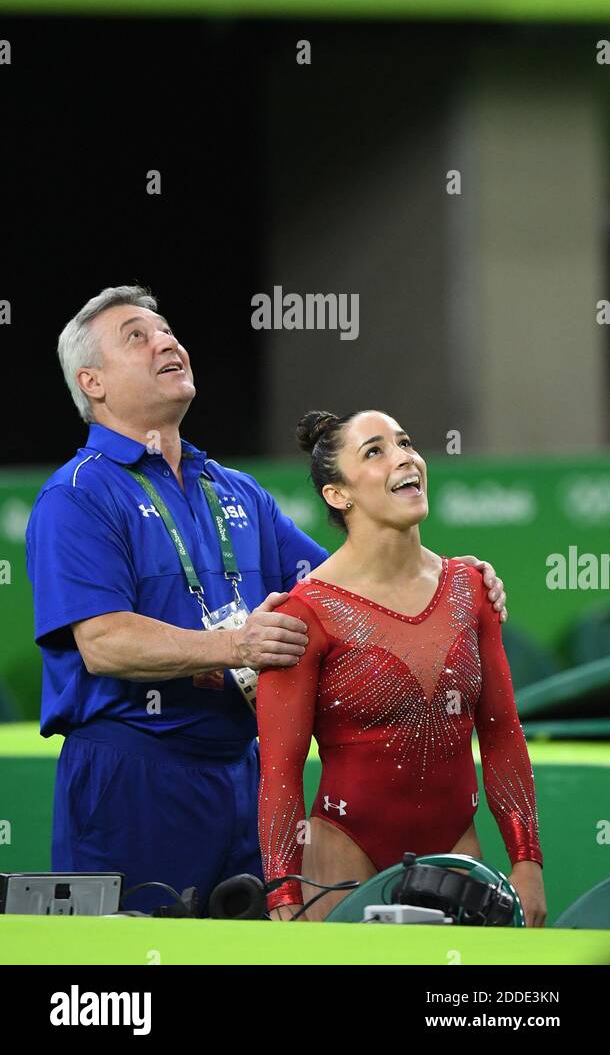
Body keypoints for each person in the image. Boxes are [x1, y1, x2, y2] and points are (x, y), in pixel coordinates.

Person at [26, 286, 508, 915]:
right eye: (137, 337)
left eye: (167, 330)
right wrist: (237, 645)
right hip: (136, 775)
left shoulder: (236, 490)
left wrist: (448, 582)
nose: (166, 342)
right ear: (92, 382)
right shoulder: (77, 496)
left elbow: (343, 586)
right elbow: (103, 642)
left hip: (245, 770)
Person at [257, 409, 546, 926]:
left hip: (456, 851)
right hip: (345, 854)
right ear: (337, 494)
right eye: (375, 451)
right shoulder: (303, 615)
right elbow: (280, 770)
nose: (405, 457)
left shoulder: (470, 588)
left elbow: (502, 735)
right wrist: (282, 894)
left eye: (405, 443)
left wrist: (527, 862)